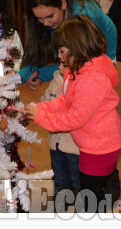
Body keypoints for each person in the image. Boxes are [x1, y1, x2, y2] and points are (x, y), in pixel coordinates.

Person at [24, 15, 121, 213]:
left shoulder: (90, 80)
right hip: (93, 145)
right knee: (91, 193)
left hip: (100, 148)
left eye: (61, 51)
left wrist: (41, 117)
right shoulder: (79, 71)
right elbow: (65, 100)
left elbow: (74, 118)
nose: (58, 56)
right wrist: (41, 108)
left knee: (89, 199)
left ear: (77, 47)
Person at [19, 0, 117, 90]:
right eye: (39, 18)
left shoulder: (83, 15)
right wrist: (19, 76)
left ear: (63, 4)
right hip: (76, 50)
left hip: (101, 49)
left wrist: (42, 73)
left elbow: (76, 63)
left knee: (88, 87)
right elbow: (34, 52)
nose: (45, 23)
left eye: (50, 16)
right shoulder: (50, 19)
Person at [39, 63, 81, 204]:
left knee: (76, 177)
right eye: (61, 64)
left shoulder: (78, 84)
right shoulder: (54, 81)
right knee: (58, 175)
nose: (60, 68)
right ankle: (61, 199)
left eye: (65, 64)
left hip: (74, 146)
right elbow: (44, 102)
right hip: (54, 143)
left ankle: (80, 201)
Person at [0, 0, 24, 71]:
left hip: (8, 80)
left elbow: (19, 62)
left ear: (3, 13)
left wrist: (11, 70)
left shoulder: (12, 34)